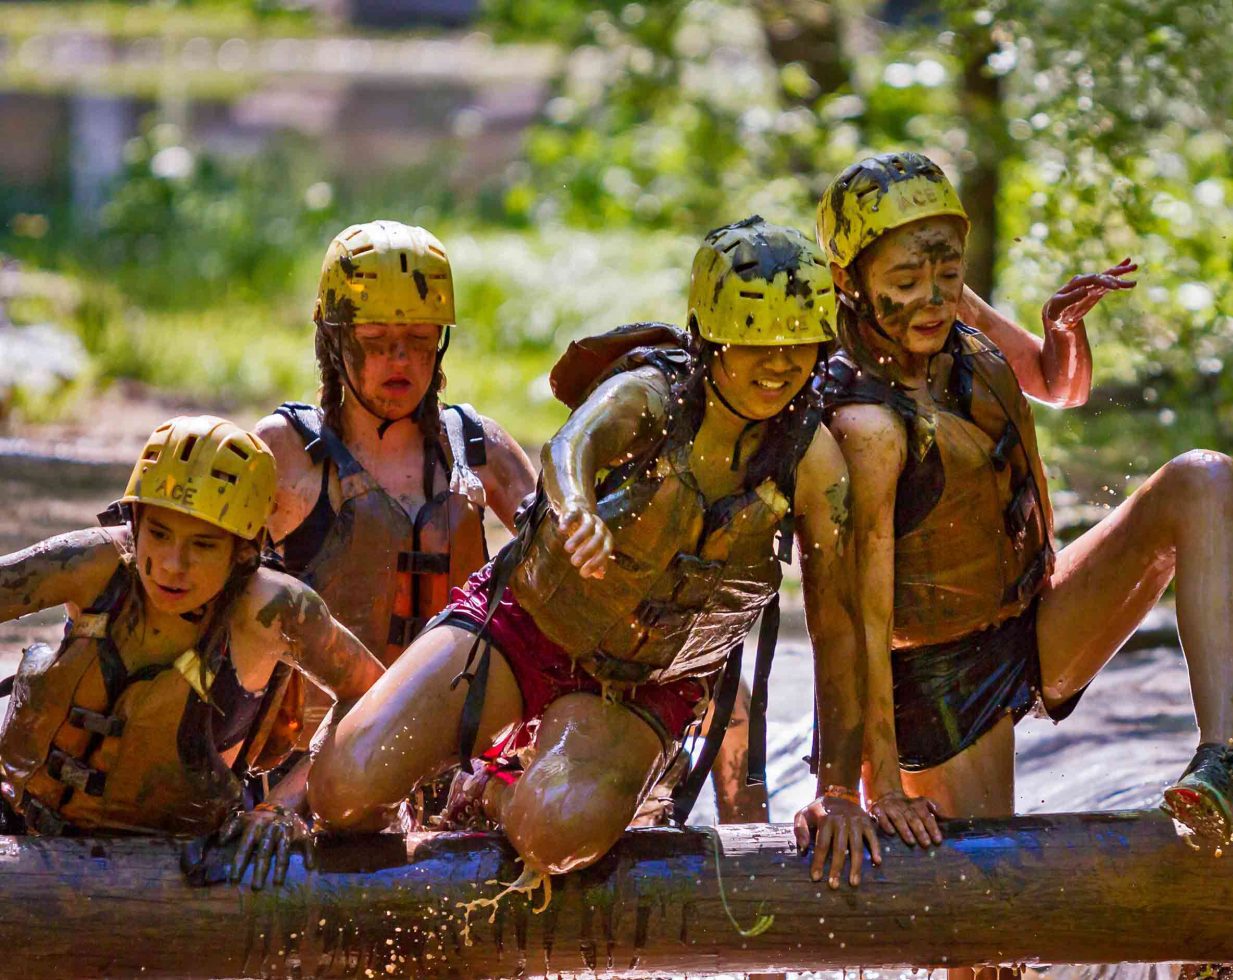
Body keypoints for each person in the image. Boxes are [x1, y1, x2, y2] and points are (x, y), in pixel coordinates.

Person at [309, 217, 876, 894]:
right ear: (713, 337)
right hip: (523, 622)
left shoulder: (813, 464)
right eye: (756, 342)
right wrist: (575, 508)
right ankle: (484, 776)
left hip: (647, 683)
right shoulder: (653, 396)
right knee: (342, 790)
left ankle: (496, 791)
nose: (781, 363)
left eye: (799, 344)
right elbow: (572, 446)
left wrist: (839, 790)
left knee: (553, 837)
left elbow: (838, 630)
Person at [818, 152, 1233, 850]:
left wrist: (1063, 332)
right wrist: (869, 784)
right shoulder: (857, 422)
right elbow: (853, 618)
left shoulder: (947, 307)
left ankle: (1218, 761)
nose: (935, 297)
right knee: (988, 941)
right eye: (907, 280)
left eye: (949, 273)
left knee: (1205, 480)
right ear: (850, 281)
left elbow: (1058, 383)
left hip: (1031, 613)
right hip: (939, 681)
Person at [0, 416, 383, 887]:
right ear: (135, 522)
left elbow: (378, 698)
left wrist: (283, 806)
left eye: (202, 545)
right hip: (21, 821)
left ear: (244, 551)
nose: (171, 566)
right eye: (159, 534)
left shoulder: (273, 610)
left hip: (182, 860)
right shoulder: (93, 562)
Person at [253, 221, 536, 803]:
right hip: (307, 772)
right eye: (377, 341)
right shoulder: (284, 454)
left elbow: (563, 573)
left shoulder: (478, 450)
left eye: (419, 340)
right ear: (335, 343)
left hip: (454, 768)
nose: (400, 359)